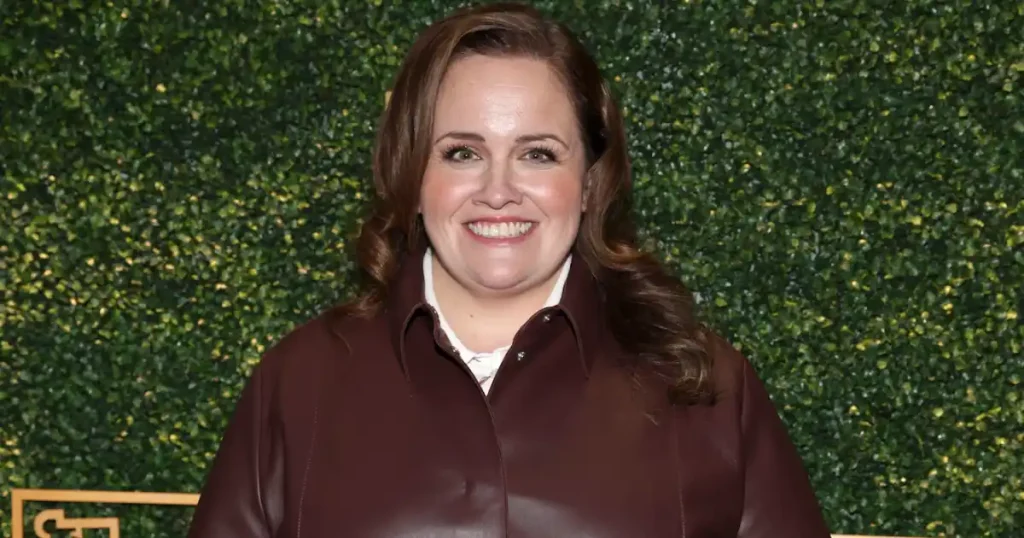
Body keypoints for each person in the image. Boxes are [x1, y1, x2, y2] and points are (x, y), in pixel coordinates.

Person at [186, 2, 831, 537]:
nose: (498, 191)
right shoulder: (298, 382)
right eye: (462, 153)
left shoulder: (707, 387)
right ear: (413, 175)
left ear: (589, 182)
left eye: (538, 154)